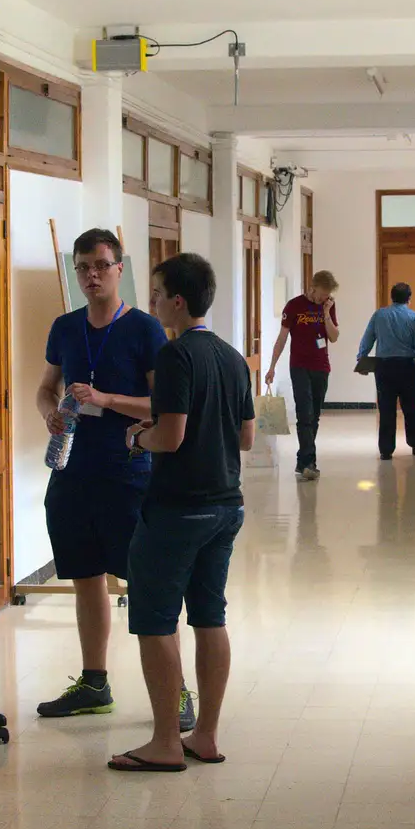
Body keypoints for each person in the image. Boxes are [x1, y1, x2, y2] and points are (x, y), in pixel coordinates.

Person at [35, 228, 197, 732]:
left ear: (119, 268)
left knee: (148, 583)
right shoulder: (64, 327)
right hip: (73, 470)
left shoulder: (146, 331)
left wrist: (105, 399)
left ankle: (178, 691)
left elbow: (162, 405)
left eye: (101, 265)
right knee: (86, 578)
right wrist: (50, 414)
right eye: (83, 266)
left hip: (129, 472)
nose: (92, 275)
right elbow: (45, 388)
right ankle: (93, 682)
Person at [110, 253, 255, 773]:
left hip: (175, 511)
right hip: (226, 506)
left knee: (155, 621)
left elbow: (169, 436)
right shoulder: (232, 357)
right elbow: (246, 436)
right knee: (210, 616)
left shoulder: (175, 358)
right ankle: (207, 736)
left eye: (155, 294)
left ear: (177, 300)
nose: (150, 302)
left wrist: (137, 437)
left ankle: (166, 742)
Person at [265, 269, 339, 481]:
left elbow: (334, 337)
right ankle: (309, 462)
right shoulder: (294, 306)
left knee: (314, 416)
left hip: (321, 367)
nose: (324, 298)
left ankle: (303, 460)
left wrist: (326, 314)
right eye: (322, 294)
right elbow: (281, 339)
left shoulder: (328, 307)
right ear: (313, 287)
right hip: (299, 367)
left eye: (327, 295)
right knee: (304, 414)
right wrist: (271, 367)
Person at [356, 282, 415, 461]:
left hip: (384, 368)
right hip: (407, 367)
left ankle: (386, 450)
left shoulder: (379, 315)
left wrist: (361, 360)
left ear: (391, 297)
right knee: (410, 408)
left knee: (386, 409)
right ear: (409, 298)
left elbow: (368, 338)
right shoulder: (414, 317)